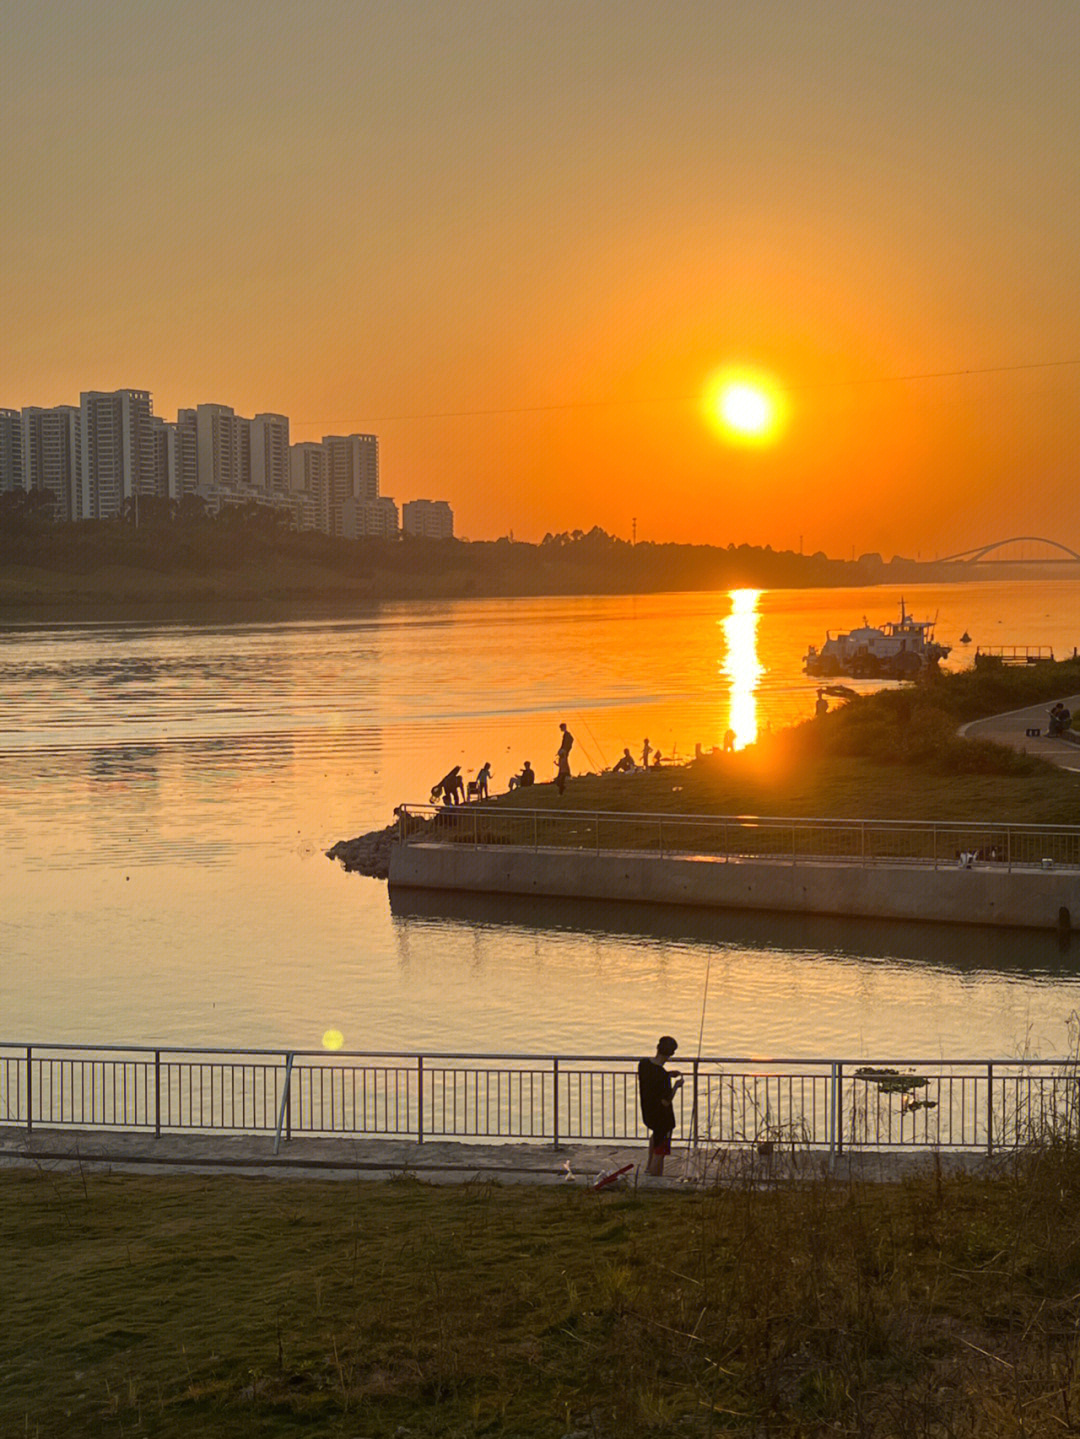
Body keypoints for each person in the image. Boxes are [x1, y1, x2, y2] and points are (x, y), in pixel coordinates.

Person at [638, 1035, 683, 1176]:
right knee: (661, 1150)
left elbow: (652, 1079)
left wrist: (668, 1075)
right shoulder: (662, 1077)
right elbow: (666, 1101)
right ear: (672, 1054)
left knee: (654, 1137)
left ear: (657, 1047)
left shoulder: (644, 1064)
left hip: (648, 1113)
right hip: (662, 1118)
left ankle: (648, 1168)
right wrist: (676, 1086)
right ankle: (655, 1177)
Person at [556, 722, 574, 794]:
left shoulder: (567, 735)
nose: (560, 729)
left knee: (564, 763)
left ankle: (566, 775)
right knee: (564, 763)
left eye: (561, 728)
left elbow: (567, 743)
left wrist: (564, 749)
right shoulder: (566, 735)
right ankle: (566, 775)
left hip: (565, 751)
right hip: (564, 751)